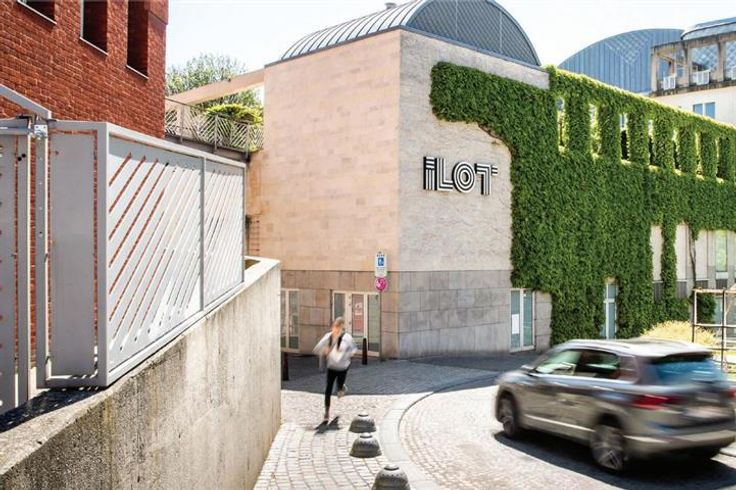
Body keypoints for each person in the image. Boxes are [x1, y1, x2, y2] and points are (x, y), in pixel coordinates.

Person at [313, 317, 357, 422]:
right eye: (335, 326)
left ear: (342, 327)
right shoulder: (328, 337)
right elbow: (317, 348)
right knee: (328, 389)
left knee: (339, 389)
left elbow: (354, 349)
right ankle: (326, 412)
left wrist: (345, 353)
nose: (336, 329)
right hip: (331, 367)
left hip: (342, 367)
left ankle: (341, 388)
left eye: (339, 327)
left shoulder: (347, 338)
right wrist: (325, 350)